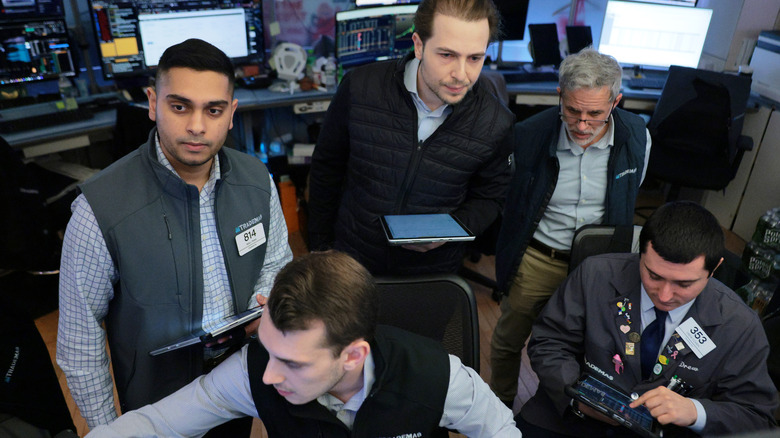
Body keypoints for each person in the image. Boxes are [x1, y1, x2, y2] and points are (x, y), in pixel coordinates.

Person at [56, 38, 293, 430]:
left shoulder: (258, 181)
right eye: (179, 106)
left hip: (236, 378)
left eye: (213, 110)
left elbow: (276, 264)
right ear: (153, 103)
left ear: (231, 114)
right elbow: (80, 343)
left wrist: (260, 305)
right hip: (156, 401)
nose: (197, 126)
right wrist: (112, 429)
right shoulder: (98, 209)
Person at [85, 251, 520, 437]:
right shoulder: (255, 369)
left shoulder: (438, 378)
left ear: (353, 355)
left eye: (292, 363)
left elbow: (502, 431)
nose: (269, 375)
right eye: (269, 349)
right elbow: (159, 425)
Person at [518, 201, 779, 437]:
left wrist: (695, 412)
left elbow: (755, 416)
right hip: (570, 420)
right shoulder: (594, 275)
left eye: (684, 284)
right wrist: (579, 399)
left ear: (715, 269)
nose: (664, 295)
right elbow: (549, 342)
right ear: (640, 254)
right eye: (653, 276)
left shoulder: (740, 326)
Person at [490, 47, 652, 407]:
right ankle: (498, 407)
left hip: (599, 264)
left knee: (591, 343)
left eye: (594, 114)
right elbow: (512, 200)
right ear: (559, 96)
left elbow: (629, 192)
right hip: (538, 258)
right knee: (509, 338)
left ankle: (565, 410)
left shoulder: (637, 137)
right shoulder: (528, 136)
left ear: (616, 102)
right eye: (572, 111)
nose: (581, 124)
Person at [307, 0, 514, 275]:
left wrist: (451, 229)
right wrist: (321, 250)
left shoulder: (496, 121)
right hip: (352, 261)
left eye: (474, 58)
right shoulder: (361, 87)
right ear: (418, 45)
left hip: (433, 271)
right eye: (447, 55)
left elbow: (492, 197)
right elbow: (326, 169)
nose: (461, 74)